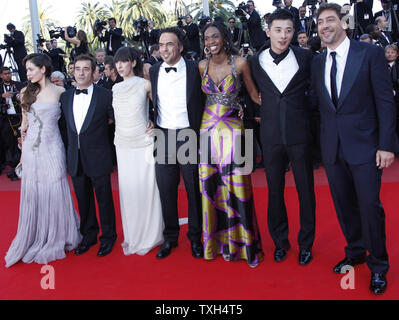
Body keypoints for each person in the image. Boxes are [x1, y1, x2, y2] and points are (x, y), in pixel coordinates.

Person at [312, 2, 398, 295]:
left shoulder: (370, 54)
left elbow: (385, 102)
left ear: (343, 23)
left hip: (366, 147)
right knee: (344, 205)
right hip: (333, 148)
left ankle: (378, 265)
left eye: (330, 20)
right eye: (320, 22)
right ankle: (356, 250)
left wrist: (386, 145)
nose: (325, 25)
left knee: (370, 207)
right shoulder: (317, 62)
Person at [250, 9, 316, 266]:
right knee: (275, 191)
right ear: (268, 31)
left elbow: (316, 89)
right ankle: (280, 241)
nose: (283, 35)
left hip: (300, 134)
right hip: (271, 136)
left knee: (305, 191)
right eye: (278, 30)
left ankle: (306, 244)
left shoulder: (306, 57)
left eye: (288, 30)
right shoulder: (256, 61)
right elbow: (250, 91)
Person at [4, 53, 81, 267]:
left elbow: (70, 124)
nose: (27, 74)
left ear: (43, 69)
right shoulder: (24, 93)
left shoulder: (61, 92)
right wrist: (21, 154)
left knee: (55, 188)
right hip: (31, 150)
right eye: (26, 70)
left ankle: (60, 233)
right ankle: (36, 235)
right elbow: (24, 124)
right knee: (35, 192)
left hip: (53, 147)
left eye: (30, 69)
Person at [198, 22, 263, 268]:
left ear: (224, 37)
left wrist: (280, 100)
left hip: (234, 131)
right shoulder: (201, 66)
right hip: (207, 131)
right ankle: (217, 244)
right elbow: (193, 100)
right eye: (206, 37)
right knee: (210, 186)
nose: (210, 41)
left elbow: (255, 95)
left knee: (237, 185)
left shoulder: (241, 63)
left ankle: (245, 246)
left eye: (215, 36)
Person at [149, 27, 205, 259]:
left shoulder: (195, 69)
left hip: (189, 134)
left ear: (180, 47)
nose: (164, 49)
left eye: (169, 44)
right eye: (161, 45)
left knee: (194, 190)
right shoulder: (153, 71)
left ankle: (195, 238)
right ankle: (170, 237)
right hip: (163, 135)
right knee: (166, 190)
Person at [60, 54, 117, 257]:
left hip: (98, 154)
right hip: (75, 157)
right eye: (78, 69)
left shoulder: (105, 95)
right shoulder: (65, 96)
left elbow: (115, 121)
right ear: (73, 71)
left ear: (94, 73)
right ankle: (89, 235)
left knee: (104, 200)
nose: (81, 73)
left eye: (86, 69)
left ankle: (108, 237)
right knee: (83, 200)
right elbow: (64, 128)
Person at [112, 47, 164, 255]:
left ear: (133, 63)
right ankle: (133, 234)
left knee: (147, 188)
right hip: (122, 145)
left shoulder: (145, 84)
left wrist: (154, 123)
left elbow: (161, 108)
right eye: (117, 63)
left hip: (143, 142)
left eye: (123, 62)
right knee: (128, 190)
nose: (120, 66)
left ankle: (152, 234)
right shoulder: (115, 89)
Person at [0, 66, 24, 180]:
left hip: (19, 117)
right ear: (1, 75)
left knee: (22, 142)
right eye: (5, 74)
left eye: (9, 73)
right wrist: (2, 96)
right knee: (10, 143)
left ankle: (23, 165)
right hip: (5, 119)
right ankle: (14, 166)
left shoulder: (18, 84)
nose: (8, 75)